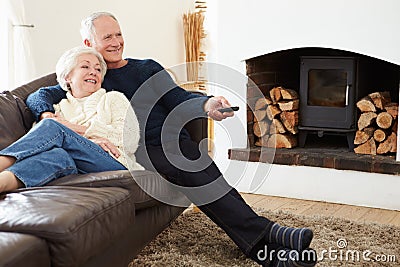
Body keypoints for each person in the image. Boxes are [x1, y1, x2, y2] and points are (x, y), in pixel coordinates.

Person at [26, 12, 317, 266]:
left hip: (172, 140)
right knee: (190, 164)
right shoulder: (92, 74)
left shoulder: (146, 68)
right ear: (90, 44)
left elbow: (178, 98)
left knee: (195, 163)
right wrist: (46, 116)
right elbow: (40, 95)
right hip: (140, 150)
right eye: (107, 37)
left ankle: (265, 246)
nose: (116, 42)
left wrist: (207, 105)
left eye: (118, 34)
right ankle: (268, 237)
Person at [0, 46, 143, 193]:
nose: (93, 72)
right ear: (68, 77)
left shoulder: (113, 98)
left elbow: (129, 139)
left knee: (52, 125)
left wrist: (73, 130)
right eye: (85, 66)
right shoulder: (58, 109)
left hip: (115, 163)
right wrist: (88, 141)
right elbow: (37, 144)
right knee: (57, 156)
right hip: (73, 167)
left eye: (98, 69)